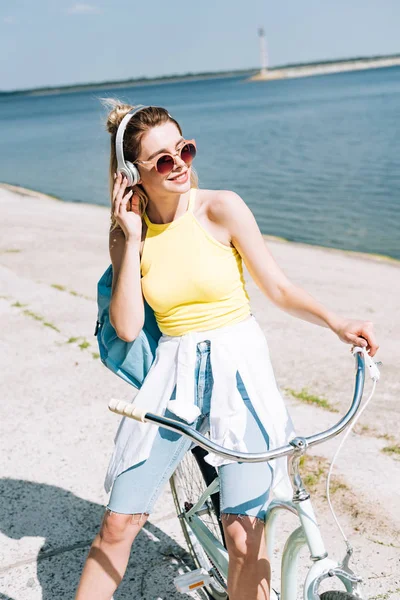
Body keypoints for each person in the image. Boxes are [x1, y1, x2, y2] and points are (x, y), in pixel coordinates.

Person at [75, 100, 379, 600]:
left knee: (243, 534)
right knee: (119, 522)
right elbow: (127, 327)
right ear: (133, 174)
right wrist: (130, 240)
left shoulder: (221, 207)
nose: (181, 166)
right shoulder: (129, 234)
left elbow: (277, 288)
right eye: (163, 161)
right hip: (173, 381)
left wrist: (336, 321)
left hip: (241, 373)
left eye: (184, 150)